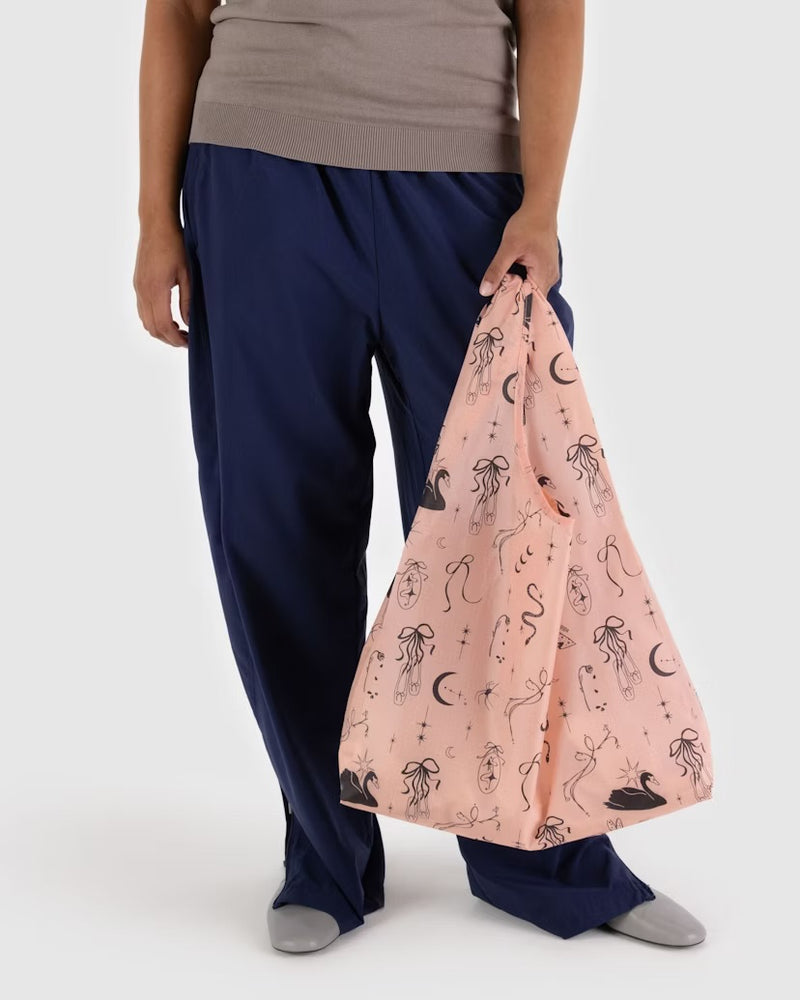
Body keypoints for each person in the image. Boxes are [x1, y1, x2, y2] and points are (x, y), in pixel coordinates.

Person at [133, 0, 706, 953]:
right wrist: (156, 216)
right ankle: (324, 855)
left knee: (511, 524)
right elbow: (179, 11)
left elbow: (552, 11)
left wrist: (542, 205)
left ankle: (546, 856)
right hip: (257, 175)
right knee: (274, 523)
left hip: (465, 189)